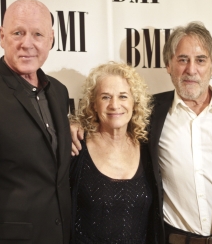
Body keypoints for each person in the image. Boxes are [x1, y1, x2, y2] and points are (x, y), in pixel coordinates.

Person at [72, 22, 212, 244]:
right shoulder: (150, 113)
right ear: (168, 65)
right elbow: (112, 119)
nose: (191, 69)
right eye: (182, 59)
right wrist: (71, 125)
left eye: (200, 60)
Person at [0, 0, 71, 244]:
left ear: (50, 39)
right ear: (2, 36)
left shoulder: (58, 91)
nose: (27, 44)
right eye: (18, 33)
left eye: (37, 34)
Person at [69, 62, 162, 243]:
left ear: (134, 103)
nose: (114, 105)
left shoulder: (147, 149)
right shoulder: (76, 147)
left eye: (123, 96)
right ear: (94, 104)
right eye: (105, 97)